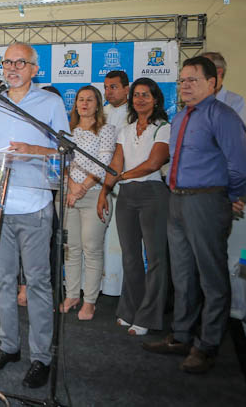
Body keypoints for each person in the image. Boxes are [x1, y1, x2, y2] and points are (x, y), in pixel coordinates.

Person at [142, 55, 246, 374]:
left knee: (212, 277)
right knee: (183, 274)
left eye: (193, 79)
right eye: (181, 80)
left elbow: (241, 167)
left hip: (207, 202)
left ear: (212, 82)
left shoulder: (224, 116)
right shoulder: (179, 118)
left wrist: (229, 198)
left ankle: (207, 345)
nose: (185, 85)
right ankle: (180, 336)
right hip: (176, 200)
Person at [0, 42, 70, 389]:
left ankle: (41, 357)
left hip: (35, 204)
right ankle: (8, 346)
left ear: (34, 69)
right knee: (2, 280)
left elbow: (64, 149)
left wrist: (34, 150)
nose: (12, 68)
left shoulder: (51, 102)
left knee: (39, 284)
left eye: (19, 62)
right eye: (7, 62)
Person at [97, 78, 170, 335]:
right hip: (127, 196)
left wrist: (123, 177)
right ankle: (129, 311)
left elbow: (153, 163)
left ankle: (148, 317)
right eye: (136, 95)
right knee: (130, 257)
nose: (139, 99)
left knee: (156, 258)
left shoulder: (163, 128)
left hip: (153, 195)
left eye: (145, 95)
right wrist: (105, 190)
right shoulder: (125, 130)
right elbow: (116, 164)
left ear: (156, 99)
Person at [59, 86, 116, 321]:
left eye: (89, 100)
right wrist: (72, 187)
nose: (84, 103)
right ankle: (72, 295)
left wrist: (81, 188)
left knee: (91, 249)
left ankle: (90, 301)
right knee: (70, 249)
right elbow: (61, 162)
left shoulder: (106, 129)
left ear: (98, 104)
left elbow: (103, 162)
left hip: (93, 195)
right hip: (68, 196)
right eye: (80, 100)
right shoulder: (68, 132)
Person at [201, 51, 246, 125]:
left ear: (219, 72)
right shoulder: (194, 100)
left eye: (203, 70)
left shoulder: (235, 101)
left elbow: (235, 132)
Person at [102, 70, 129, 135]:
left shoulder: (136, 113)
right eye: (106, 88)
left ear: (126, 90)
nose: (108, 92)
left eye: (113, 87)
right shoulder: (100, 112)